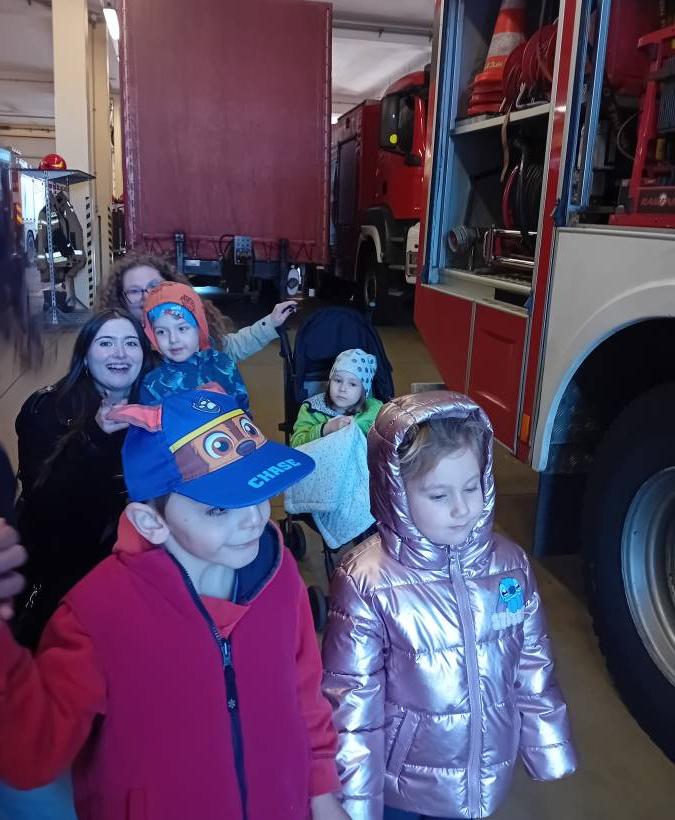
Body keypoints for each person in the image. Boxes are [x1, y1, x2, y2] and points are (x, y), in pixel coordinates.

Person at [0, 389, 348, 820]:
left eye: (257, 490)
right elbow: (33, 755)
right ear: (150, 521)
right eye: (218, 508)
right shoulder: (96, 615)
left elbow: (304, 691)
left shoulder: (279, 575)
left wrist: (320, 789)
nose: (254, 518)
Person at [322, 391, 577, 820]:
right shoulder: (367, 581)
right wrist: (356, 802)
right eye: (439, 496)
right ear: (395, 493)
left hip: (484, 773)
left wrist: (547, 744)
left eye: (471, 487)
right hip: (402, 786)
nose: (462, 509)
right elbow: (353, 703)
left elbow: (532, 660)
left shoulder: (509, 566)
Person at [13, 308, 151, 649]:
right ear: (85, 357)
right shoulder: (46, 410)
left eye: (130, 343)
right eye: (106, 343)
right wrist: (95, 438)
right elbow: (45, 505)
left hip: (135, 562)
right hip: (65, 565)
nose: (120, 353)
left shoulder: (156, 409)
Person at [99, 251, 297, 362]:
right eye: (134, 291)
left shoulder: (198, 334)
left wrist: (271, 323)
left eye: (154, 286)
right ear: (121, 299)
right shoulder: (118, 350)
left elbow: (230, 348)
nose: (146, 296)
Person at [139, 281, 253, 409]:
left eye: (182, 328)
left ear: (199, 327)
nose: (173, 339)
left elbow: (243, 410)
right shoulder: (151, 384)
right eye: (161, 332)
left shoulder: (223, 365)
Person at [291, 349, 382, 447]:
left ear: (363, 391)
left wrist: (356, 425)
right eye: (338, 381)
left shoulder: (375, 411)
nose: (342, 389)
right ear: (329, 382)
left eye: (352, 384)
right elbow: (296, 444)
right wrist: (325, 429)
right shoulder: (311, 409)